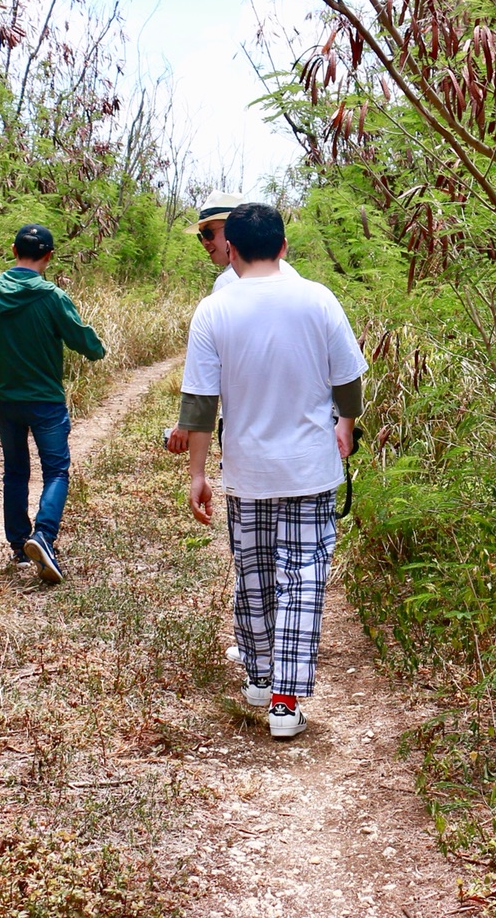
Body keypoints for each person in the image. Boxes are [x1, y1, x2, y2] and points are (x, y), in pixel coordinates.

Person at [177, 203, 367, 740]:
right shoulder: (318, 298)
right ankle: (284, 701)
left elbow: (199, 403)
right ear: (284, 245)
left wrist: (197, 473)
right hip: (310, 468)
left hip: (247, 469)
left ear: (230, 250)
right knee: (303, 577)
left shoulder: (214, 311)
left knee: (254, 575)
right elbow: (349, 381)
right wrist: (345, 426)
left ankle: (260, 680)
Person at [0, 224, 107, 584]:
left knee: (15, 470)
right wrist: (96, 346)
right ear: (49, 256)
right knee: (56, 470)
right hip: (45, 400)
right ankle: (43, 535)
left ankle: (17, 544)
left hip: (6, 398)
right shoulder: (52, 297)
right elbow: (84, 342)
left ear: (14, 250)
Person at [163, 191, 299, 455]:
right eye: (201, 236)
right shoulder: (289, 274)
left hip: (250, 429)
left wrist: (186, 425)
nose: (204, 242)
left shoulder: (229, 284)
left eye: (210, 232)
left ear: (236, 227)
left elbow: (211, 371)